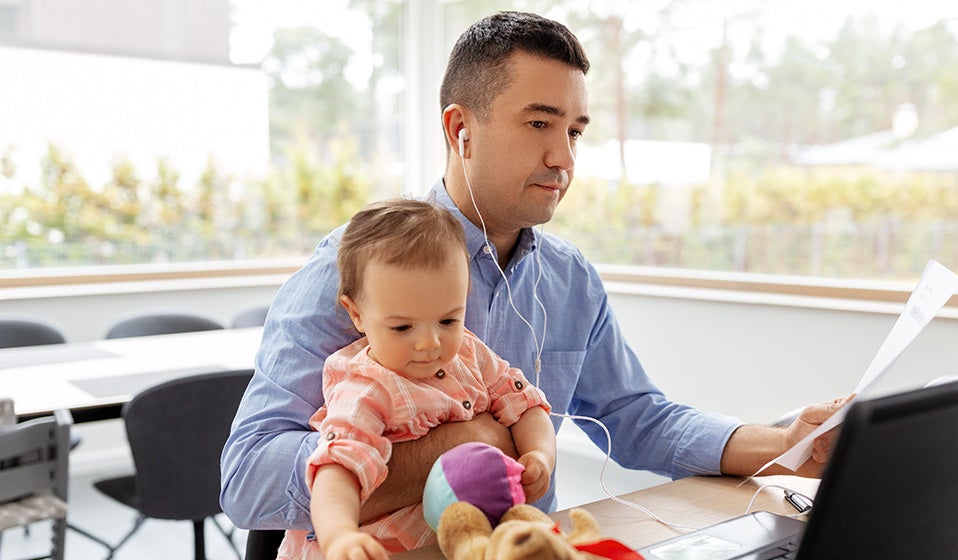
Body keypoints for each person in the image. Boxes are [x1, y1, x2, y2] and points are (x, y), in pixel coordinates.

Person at [221, 9, 845, 539]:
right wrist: (468, 443)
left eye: (575, 131)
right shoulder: (352, 271)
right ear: (460, 129)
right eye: (541, 124)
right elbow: (247, 480)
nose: (564, 158)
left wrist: (786, 444)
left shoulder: (569, 281)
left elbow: (639, 419)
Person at [275, 199, 554, 560]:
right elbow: (335, 471)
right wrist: (340, 536)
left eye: (448, 320)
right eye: (403, 327)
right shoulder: (367, 389)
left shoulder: (470, 353)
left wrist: (541, 455)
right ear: (357, 314)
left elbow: (526, 405)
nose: (429, 343)